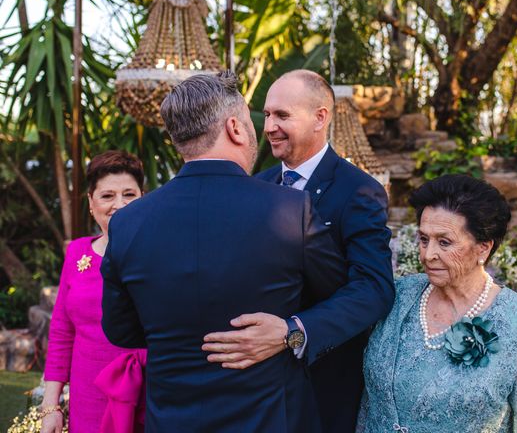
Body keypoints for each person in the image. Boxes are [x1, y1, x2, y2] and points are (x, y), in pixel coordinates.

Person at [101, 72, 347, 432]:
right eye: (251, 122)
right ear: (234, 127)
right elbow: (336, 292)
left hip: (172, 421)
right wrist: (289, 330)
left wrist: (181, 336)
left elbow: (121, 329)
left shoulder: (128, 223)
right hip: (270, 420)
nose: (256, 134)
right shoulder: (291, 210)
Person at [202, 69, 395, 433]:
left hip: (321, 384)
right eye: (268, 115)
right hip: (253, 387)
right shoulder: (254, 186)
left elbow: (374, 288)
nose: (269, 126)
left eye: (282, 115)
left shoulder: (359, 191)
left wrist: (294, 331)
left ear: (320, 117)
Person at [357, 174, 517, 432]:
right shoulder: (397, 296)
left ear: (483, 248)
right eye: (424, 239)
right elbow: (367, 403)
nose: (429, 255)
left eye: (444, 242)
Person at [41, 150, 145, 433]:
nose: (119, 205)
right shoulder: (77, 252)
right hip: (87, 395)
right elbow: (62, 331)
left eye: (129, 194)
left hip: (144, 393)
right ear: (90, 202)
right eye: (107, 196)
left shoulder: (158, 253)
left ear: (143, 197)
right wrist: (51, 406)